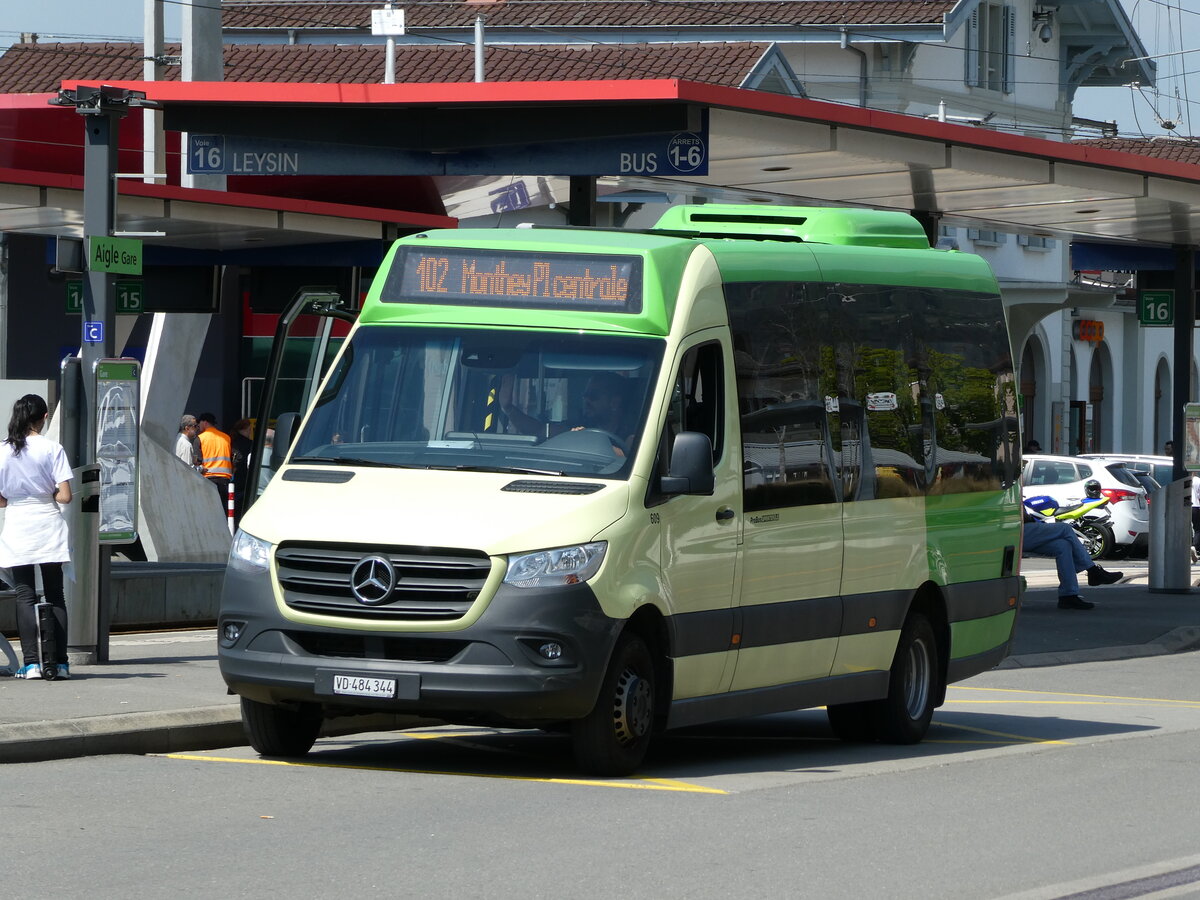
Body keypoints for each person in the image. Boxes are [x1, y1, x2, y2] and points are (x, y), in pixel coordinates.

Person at [0, 394, 74, 679]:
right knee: (56, 594)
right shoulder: (52, 448)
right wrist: (47, 494)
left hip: (18, 524)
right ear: (44, 418)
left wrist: (15, 499)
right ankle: (61, 663)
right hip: (47, 523)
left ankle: (30, 664)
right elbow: (65, 496)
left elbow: (2, 499)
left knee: (24, 594)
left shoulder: (4, 450)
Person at [498, 372, 632, 452]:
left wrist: (589, 440)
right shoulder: (578, 426)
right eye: (585, 394)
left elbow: (628, 460)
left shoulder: (632, 435)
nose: (586, 399)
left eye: (593, 395)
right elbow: (539, 430)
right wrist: (508, 407)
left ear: (614, 402)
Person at [1023, 512, 1123, 610]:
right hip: (1015, 531)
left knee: (1063, 545)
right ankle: (1093, 571)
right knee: (1065, 528)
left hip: (1019, 531)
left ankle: (1068, 596)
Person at [196, 412, 234, 506]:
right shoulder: (226, 438)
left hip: (208, 477)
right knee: (223, 507)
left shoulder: (200, 438)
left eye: (199, 423)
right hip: (225, 478)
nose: (198, 426)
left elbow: (197, 460)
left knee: (209, 507)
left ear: (205, 423)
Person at [230, 417, 253, 522]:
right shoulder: (249, 444)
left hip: (233, 478)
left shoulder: (231, 441)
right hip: (243, 479)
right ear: (247, 429)